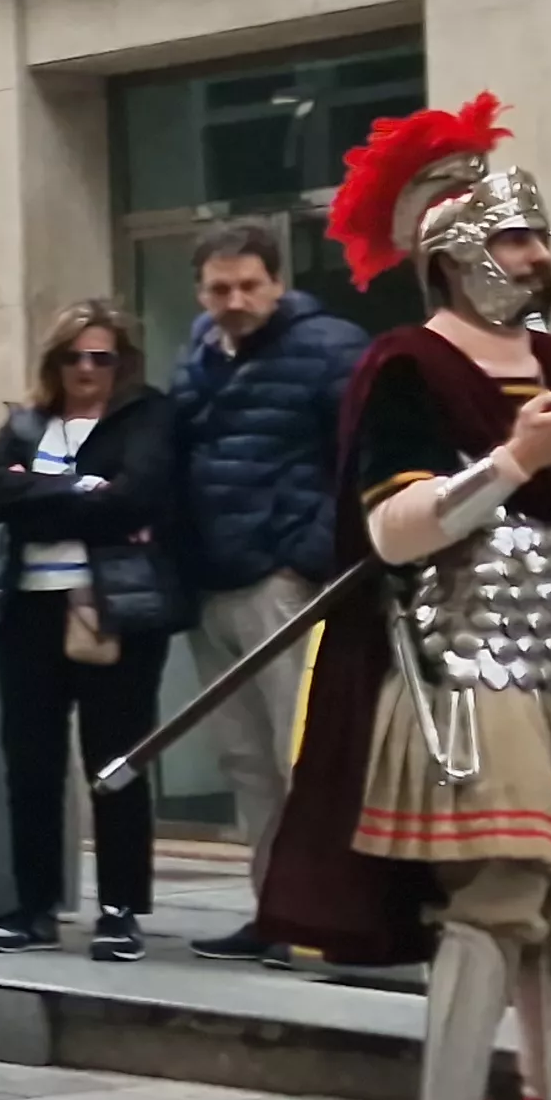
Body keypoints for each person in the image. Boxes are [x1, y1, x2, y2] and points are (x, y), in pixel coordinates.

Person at [258, 95, 551, 1100]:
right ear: (453, 251)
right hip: (464, 674)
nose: (533, 258)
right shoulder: (407, 367)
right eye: (512, 239)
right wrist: (510, 461)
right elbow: (391, 531)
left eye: (536, 238)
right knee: (497, 893)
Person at [170, 222, 371, 960]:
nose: (235, 300)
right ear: (201, 292)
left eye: (249, 285)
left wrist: (307, 558)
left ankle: (332, 917)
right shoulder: (198, 353)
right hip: (213, 583)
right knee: (246, 763)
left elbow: (363, 458)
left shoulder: (330, 348)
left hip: (285, 585)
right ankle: (274, 914)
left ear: (278, 283)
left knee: (305, 758)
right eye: (219, 288)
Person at [0, 302, 188, 961]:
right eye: (74, 357)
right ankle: (34, 907)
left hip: (112, 607)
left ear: (123, 361)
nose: (87, 369)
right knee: (30, 763)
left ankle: (120, 910)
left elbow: (136, 497)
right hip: (26, 610)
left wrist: (38, 493)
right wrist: (81, 491)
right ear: (54, 362)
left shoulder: (148, 416)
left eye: (101, 357)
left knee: (115, 760)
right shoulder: (27, 421)